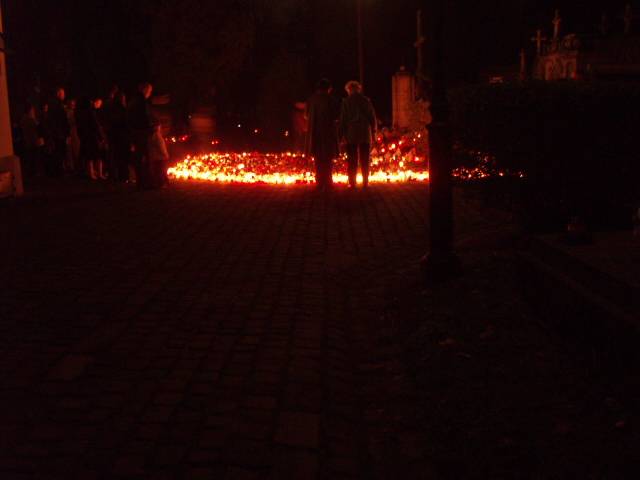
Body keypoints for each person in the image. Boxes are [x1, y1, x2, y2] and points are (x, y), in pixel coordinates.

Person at [339, 80, 377, 188]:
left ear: (348, 89)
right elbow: (372, 117)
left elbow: (343, 119)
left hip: (351, 133)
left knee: (352, 159)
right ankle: (365, 182)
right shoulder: (366, 100)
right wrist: (374, 131)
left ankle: (352, 183)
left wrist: (341, 134)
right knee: (365, 159)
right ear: (358, 89)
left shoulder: (346, 102)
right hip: (365, 132)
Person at [305, 78, 339, 190]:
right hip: (328, 132)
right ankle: (328, 181)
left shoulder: (311, 100)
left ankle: (319, 182)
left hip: (314, 133)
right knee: (328, 159)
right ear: (328, 88)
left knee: (318, 158)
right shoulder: (331, 99)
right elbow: (336, 116)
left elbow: (306, 115)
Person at [128, 82, 156, 189]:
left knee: (139, 158)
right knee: (146, 158)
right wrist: (151, 128)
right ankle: (147, 182)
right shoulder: (142, 102)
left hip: (135, 132)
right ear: (145, 90)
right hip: (142, 133)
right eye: (149, 91)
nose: (150, 93)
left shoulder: (132, 101)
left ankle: (140, 182)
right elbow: (145, 118)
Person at [107, 92, 131, 182]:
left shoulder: (112, 109)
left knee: (117, 157)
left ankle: (116, 176)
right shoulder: (122, 110)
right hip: (122, 137)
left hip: (114, 136)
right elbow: (126, 123)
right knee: (123, 158)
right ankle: (124, 177)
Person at [48, 87, 71, 177]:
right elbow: (62, 119)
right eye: (63, 93)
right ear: (58, 94)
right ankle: (60, 170)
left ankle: (57, 170)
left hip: (56, 132)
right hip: (59, 132)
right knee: (60, 151)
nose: (64, 95)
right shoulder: (58, 105)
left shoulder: (53, 105)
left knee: (58, 151)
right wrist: (66, 131)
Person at [20, 103, 43, 180]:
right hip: (32, 141)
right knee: (34, 157)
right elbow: (36, 126)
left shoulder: (23, 119)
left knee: (30, 158)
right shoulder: (30, 119)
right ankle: (34, 173)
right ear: (30, 110)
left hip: (28, 141)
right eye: (32, 109)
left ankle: (31, 173)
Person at [65, 98, 81, 173]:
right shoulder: (69, 112)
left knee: (76, 149)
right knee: (71, 150)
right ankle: (72, 167)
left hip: (75, 133)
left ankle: (75, 166)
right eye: (71, 104)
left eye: (74, 104)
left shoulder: (73, 112)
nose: (73, 105)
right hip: (71, 133)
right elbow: (70, 122)